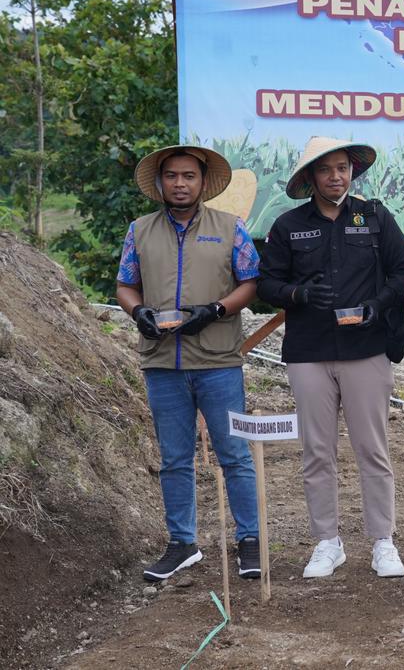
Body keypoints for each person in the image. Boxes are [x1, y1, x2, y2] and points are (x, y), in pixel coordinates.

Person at [258, 136, 404, 579]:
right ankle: (328, 542)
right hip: (308, 351)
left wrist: (377, 305)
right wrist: (297, 293)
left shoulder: (375, 217)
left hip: (367, 348)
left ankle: (383, 541)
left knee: (373, 448)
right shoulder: (288, 225)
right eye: (325, 169)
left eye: (342, 168)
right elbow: (267, 284)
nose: (335, 176)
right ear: (310, 177)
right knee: (317, 451)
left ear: (352, 171)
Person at [116, 144, 261, 582]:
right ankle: (182, 544)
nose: (180, 183)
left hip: (219, 362)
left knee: (234, 455)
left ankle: (250, 541)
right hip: (162, 363)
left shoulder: (231, 228)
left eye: (189, 176)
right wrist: (138, 312)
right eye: (172, 176)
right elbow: (126, 285)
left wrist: (214, 311)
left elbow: (250, 282)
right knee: (174, 458)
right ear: (160, 183)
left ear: (202, 183)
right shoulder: (139, 230)